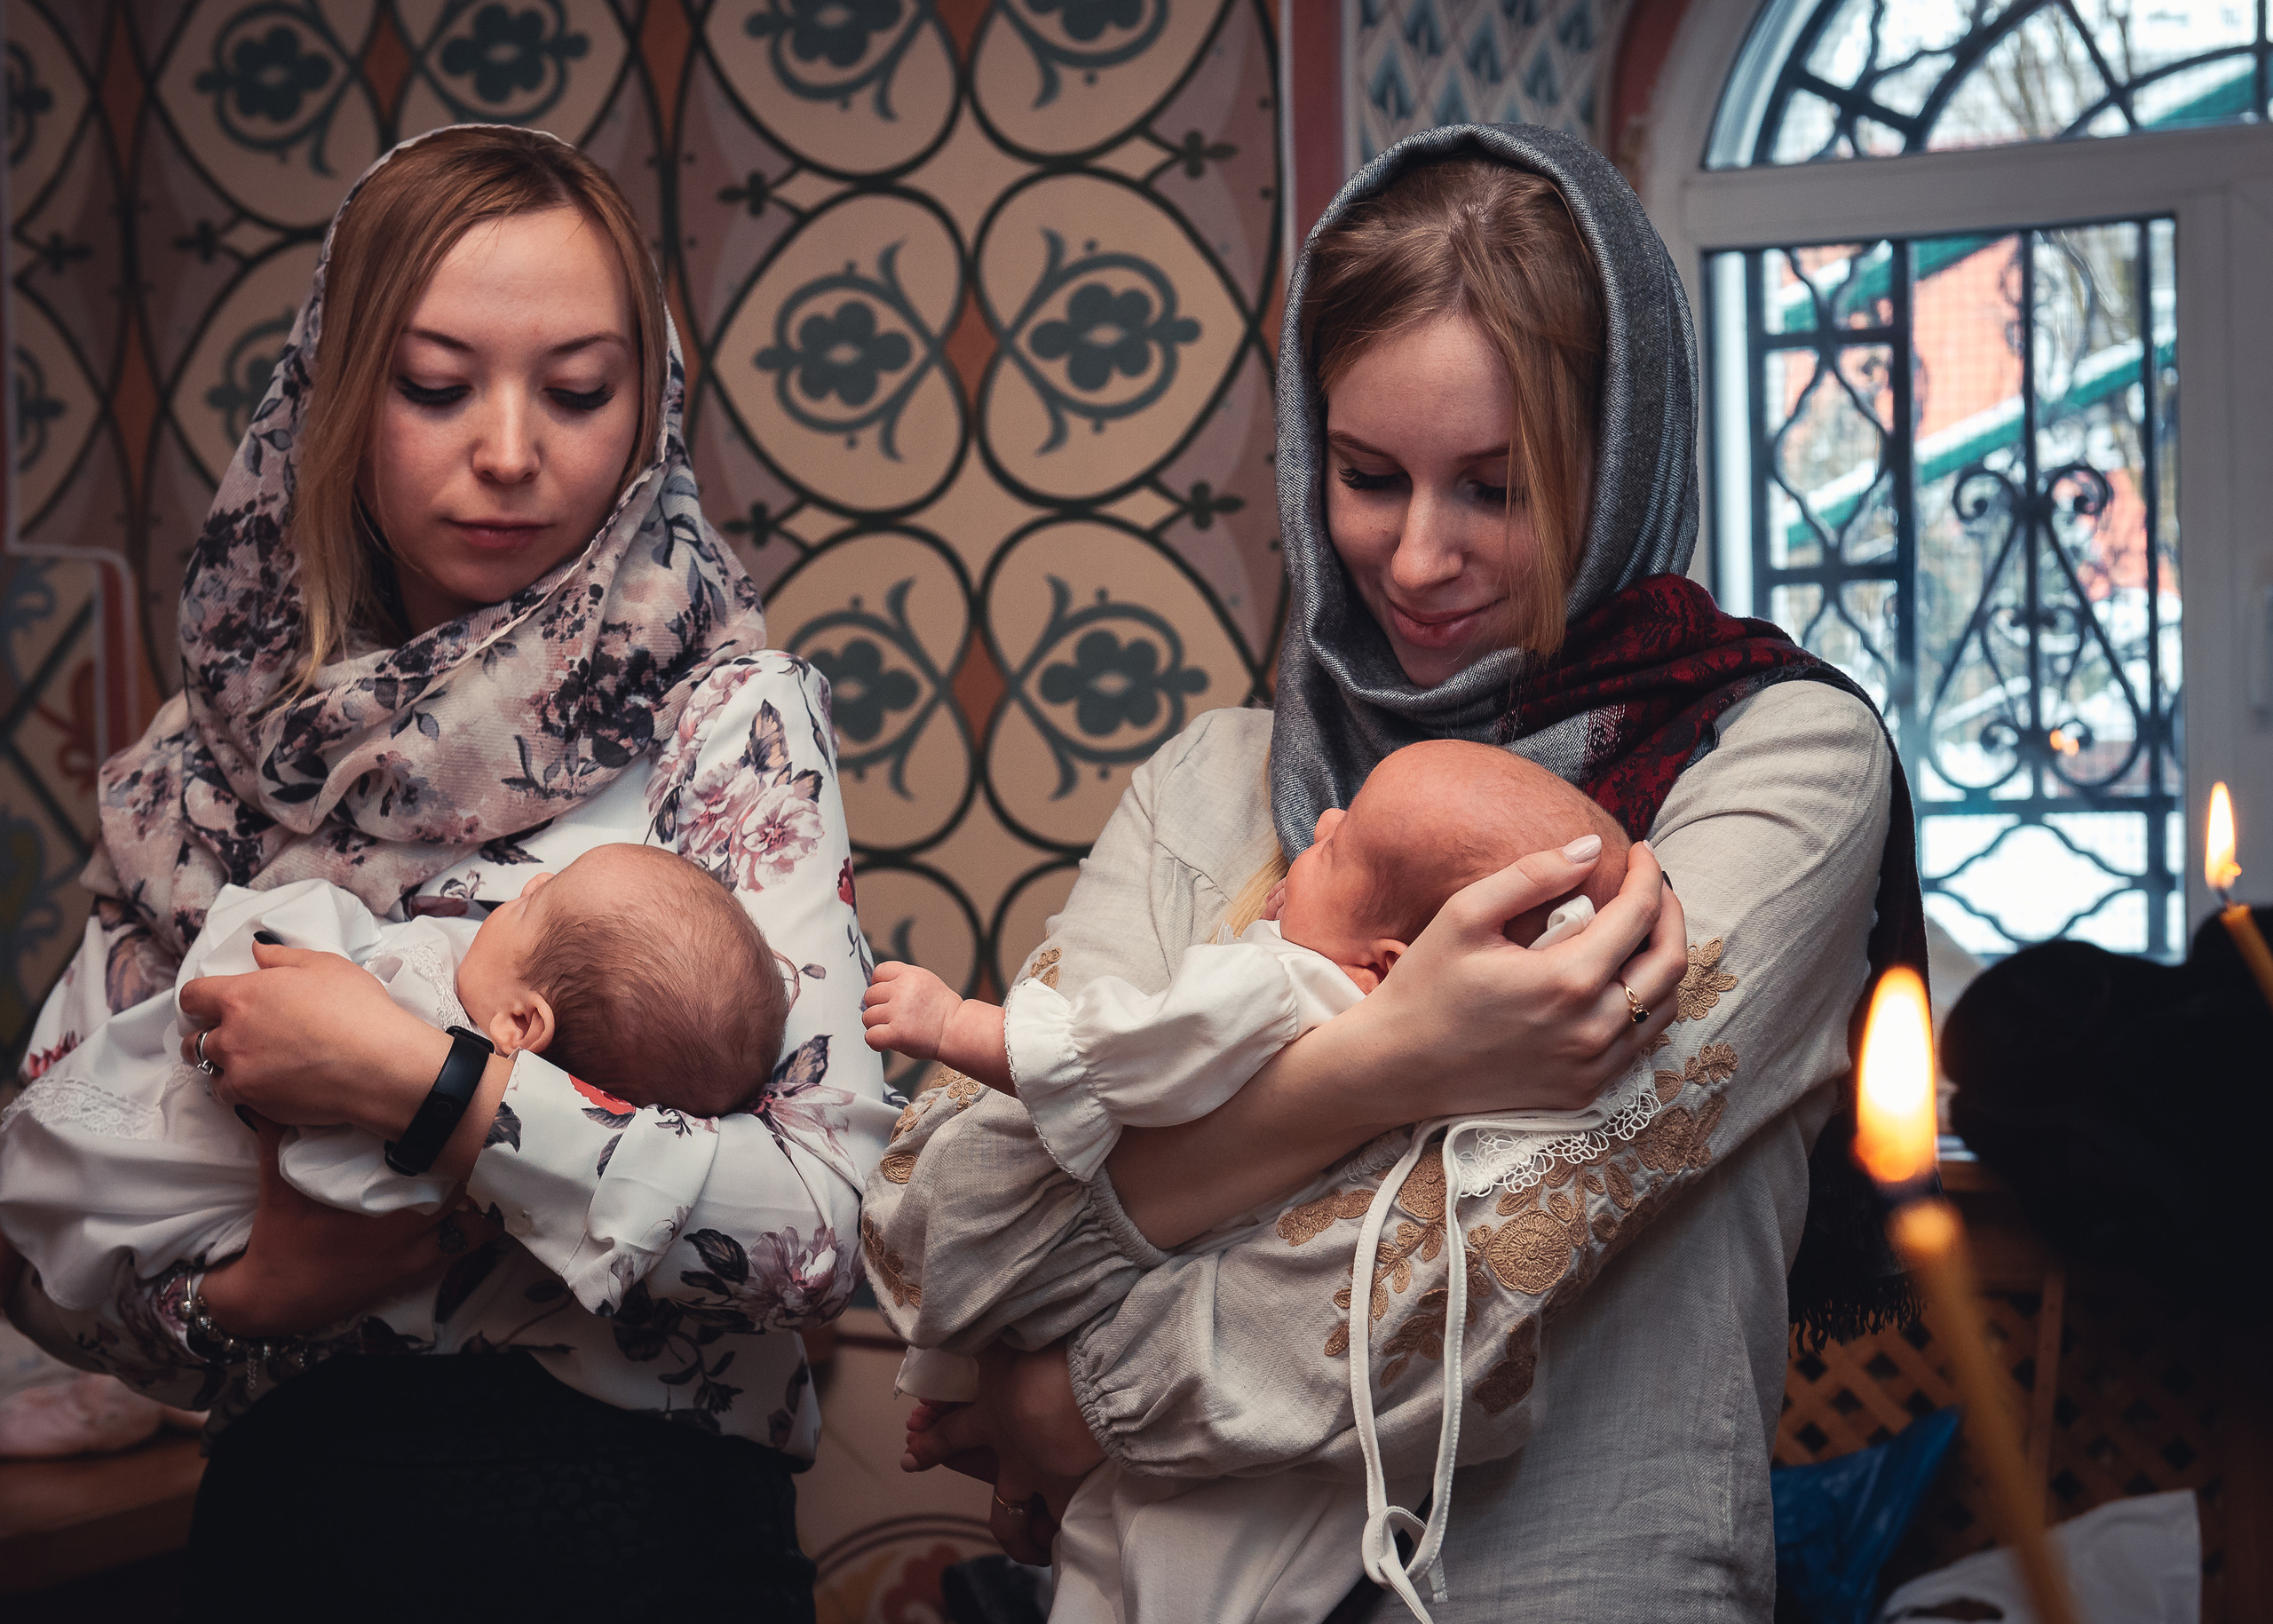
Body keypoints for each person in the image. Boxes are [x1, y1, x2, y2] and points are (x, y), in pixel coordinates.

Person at [860, 124, 1923, 1623]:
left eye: (1497, 488)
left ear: (1620, 458)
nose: (1419, 557)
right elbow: (937, 1219)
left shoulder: (1773, 761)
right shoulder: (1212, 785)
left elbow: (1478, 1266)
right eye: (1369, 476)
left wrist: (1071, 1404)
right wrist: (1381, 1066)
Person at [2, 126, 891, 1620]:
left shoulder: (720, 720)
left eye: (578, 389)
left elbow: (818, 1228)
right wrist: (261, 1290)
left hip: (649, 1543)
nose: (507, 448)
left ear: (649, 404)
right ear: (343, 398)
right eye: (434, 384)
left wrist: (427, 1087)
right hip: (290, 1539)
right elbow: (40, 1250)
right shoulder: (216, 758)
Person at [863, 740, 1637, 1624]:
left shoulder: (1272, 979)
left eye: (1339, 848)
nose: (1323, 819)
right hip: (1316, 1466)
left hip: (1176, 1416)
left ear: (1386, 964)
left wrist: (955, 1020)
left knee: (1121, 1574)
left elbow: (1110, 1050)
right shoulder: (1504, 1082)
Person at [1, 843, 791, 1313]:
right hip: (168, 1070)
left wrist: (366, 1070)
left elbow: (329, 1183)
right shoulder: (470, 977)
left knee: (54, 1188)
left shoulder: (438, 1144)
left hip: (157, 1167)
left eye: (531, 905)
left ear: (520, 1025)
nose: (517, 889)